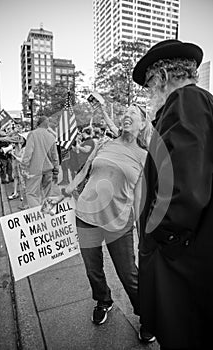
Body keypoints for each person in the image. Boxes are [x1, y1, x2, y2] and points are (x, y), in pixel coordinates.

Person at [132, 39, 213, 350]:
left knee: (182, 332)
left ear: (163, 76)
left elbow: (182, 188)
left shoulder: (186, 102)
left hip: (181, 261)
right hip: (191, 253)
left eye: (151, 83)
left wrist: (156, 238)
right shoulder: (199, 102)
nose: (150, 92)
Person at [64, 104, 154, 342]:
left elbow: (140, 195)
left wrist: (139, 227)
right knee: (93, 269)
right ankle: (103, 300)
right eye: (125, 112)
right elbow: (84, 171)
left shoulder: (145, 156)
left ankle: (147, 316)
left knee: (129, 275)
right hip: (85, 215)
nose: (127, 115)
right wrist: (65, 191)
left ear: (143, 124)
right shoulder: (105, 144)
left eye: (133, 113)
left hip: (119, 223)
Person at [21, 115, 60, 208]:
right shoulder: (51, 136)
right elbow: (55, 156)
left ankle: (37, 215)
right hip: (48, 170)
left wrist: (23, 167)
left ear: (37, 124)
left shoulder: (33, 134)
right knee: (47, 194)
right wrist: (56, 170)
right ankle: (45, 215)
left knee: (32, 194)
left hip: (34, 170)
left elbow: (28, 153)